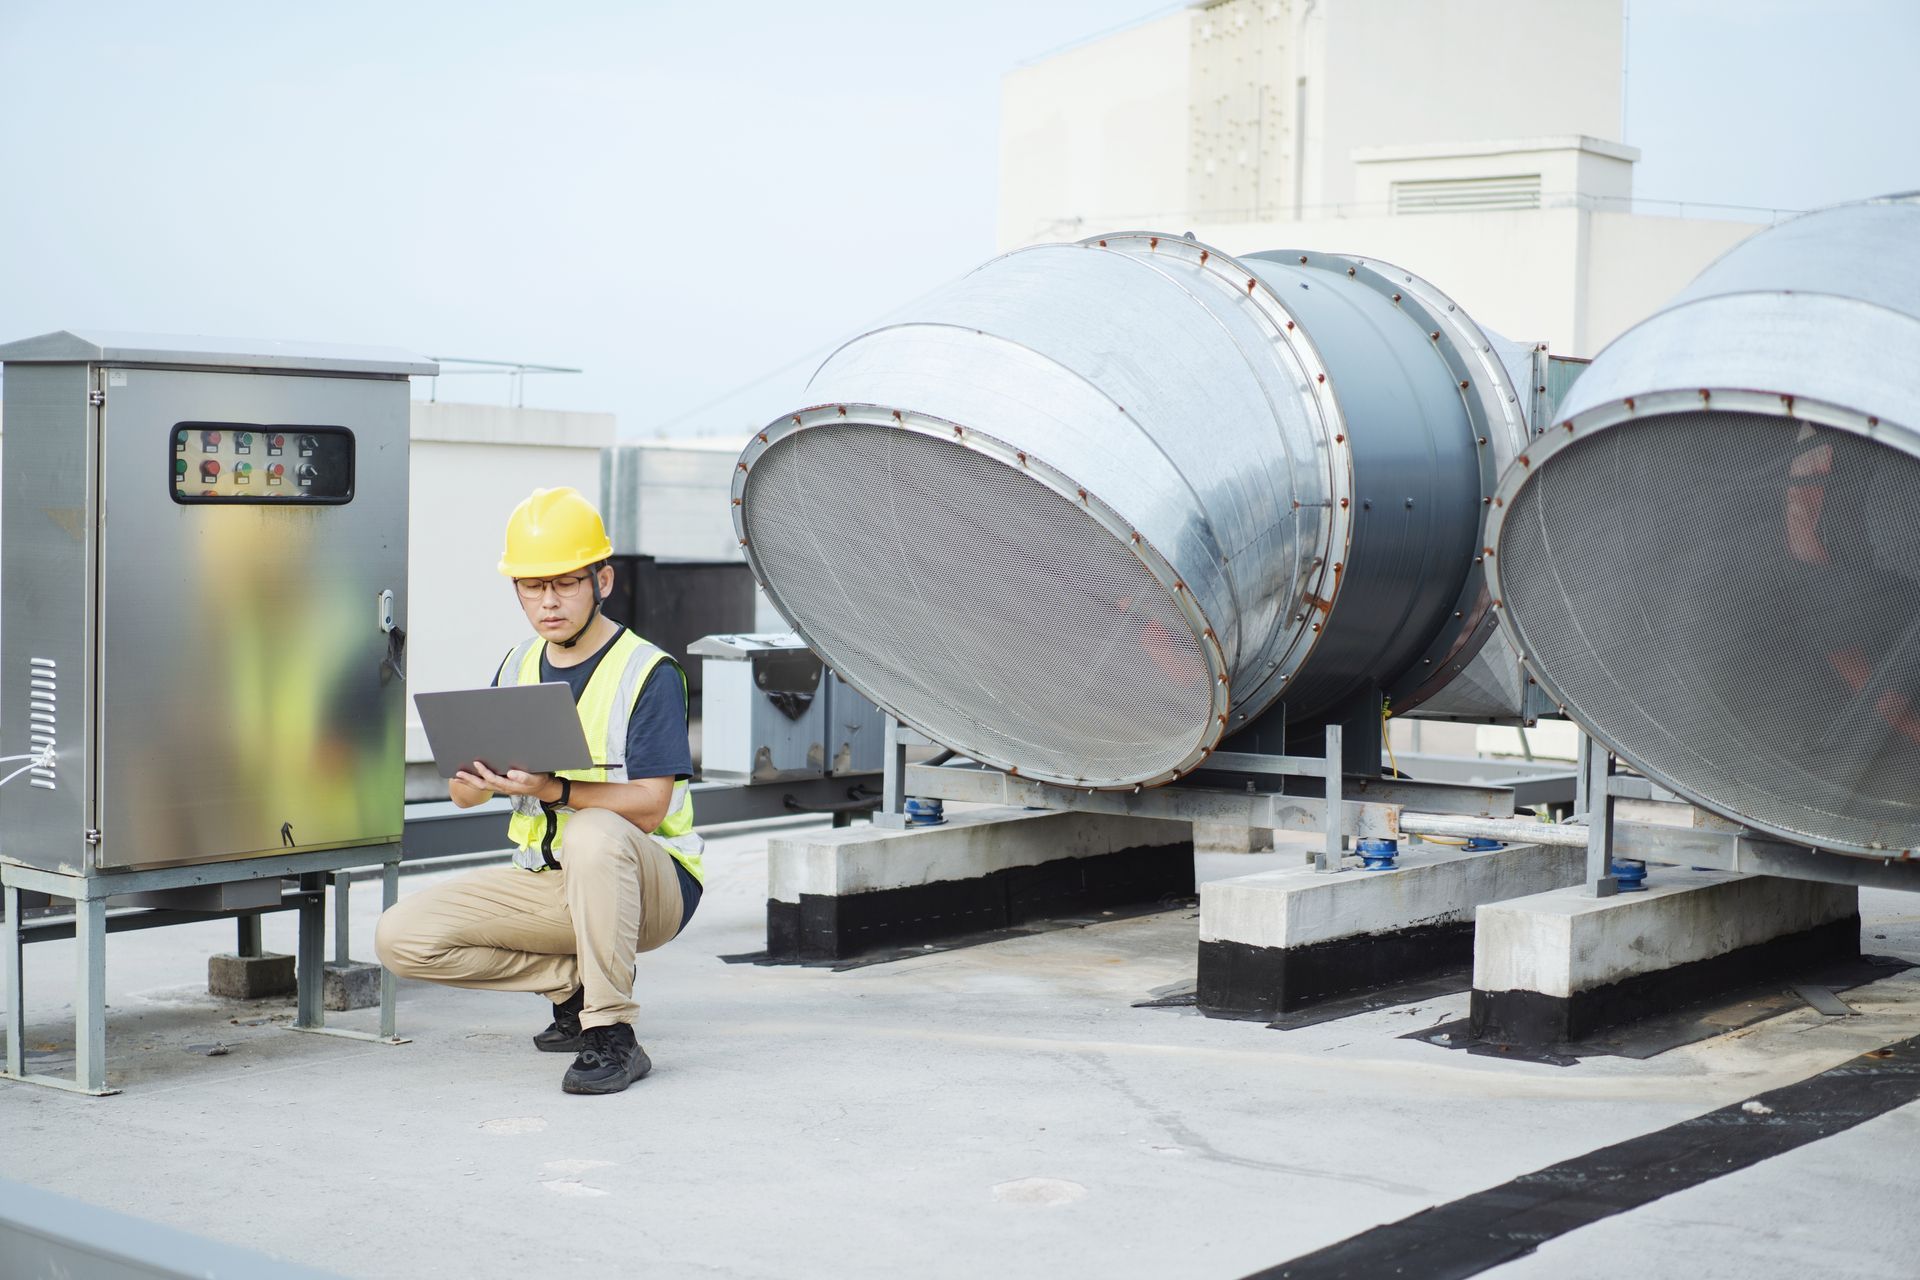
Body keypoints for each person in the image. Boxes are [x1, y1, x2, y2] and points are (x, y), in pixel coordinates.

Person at [375, 486, 703, 1096]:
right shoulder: (517, 665)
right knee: (401, 938)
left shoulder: (646, 672)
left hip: (653, 887)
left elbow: (653, 806)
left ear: (602, 580)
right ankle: (571, 986)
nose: (548, 602)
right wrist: (476, 782)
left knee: (596, 832)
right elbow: (463, 797)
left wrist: (556, 789)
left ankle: (611, 1034)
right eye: (532, 586)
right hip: (551, 883)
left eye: (566, 583)